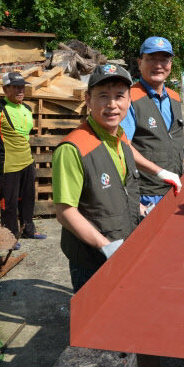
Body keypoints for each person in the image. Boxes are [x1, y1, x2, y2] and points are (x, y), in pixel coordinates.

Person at [52, 64, 141, 292]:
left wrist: (140, 208)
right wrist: (106, 247)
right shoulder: (73, 148)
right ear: (88, 100)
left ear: (129, 101)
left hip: (124, 246)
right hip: (92, 258)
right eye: (103, 96)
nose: (112, 105)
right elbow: (65, 212)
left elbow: (119, 189)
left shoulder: (120, 139)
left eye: (119, 96)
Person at [120, 36, 184, 207]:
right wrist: (160, 172)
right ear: (140, 63)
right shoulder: (130, 99)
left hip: (175, 188)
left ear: (171, 64)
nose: (158, 65)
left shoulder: (174, 98)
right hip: (145, 192)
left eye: (164, 59)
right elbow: (123, 146)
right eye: (151, 59)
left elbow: (169, 140)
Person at [0, 72, 46, 250]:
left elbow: (25, 135)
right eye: (16, 87)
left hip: (27, 161)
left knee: (27, 198)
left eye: (22, 87)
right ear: (5, 89)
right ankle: (9, 236)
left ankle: (28, 230)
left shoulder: (26, 109)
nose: (20, 90)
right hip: (8, 162)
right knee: (8, 201)